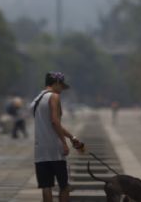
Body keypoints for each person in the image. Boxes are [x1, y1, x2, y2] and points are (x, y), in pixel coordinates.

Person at [30, 72, 84, 202]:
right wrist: (64, 143)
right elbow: (55, 121)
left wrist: (71, 137)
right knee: (64, 186)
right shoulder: (54, 97)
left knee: (46, 187)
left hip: (40, 149)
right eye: (61, 86)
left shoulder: (36, 100)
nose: (61, 90)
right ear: (56, 83)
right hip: (55, 149)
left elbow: (51, 124)